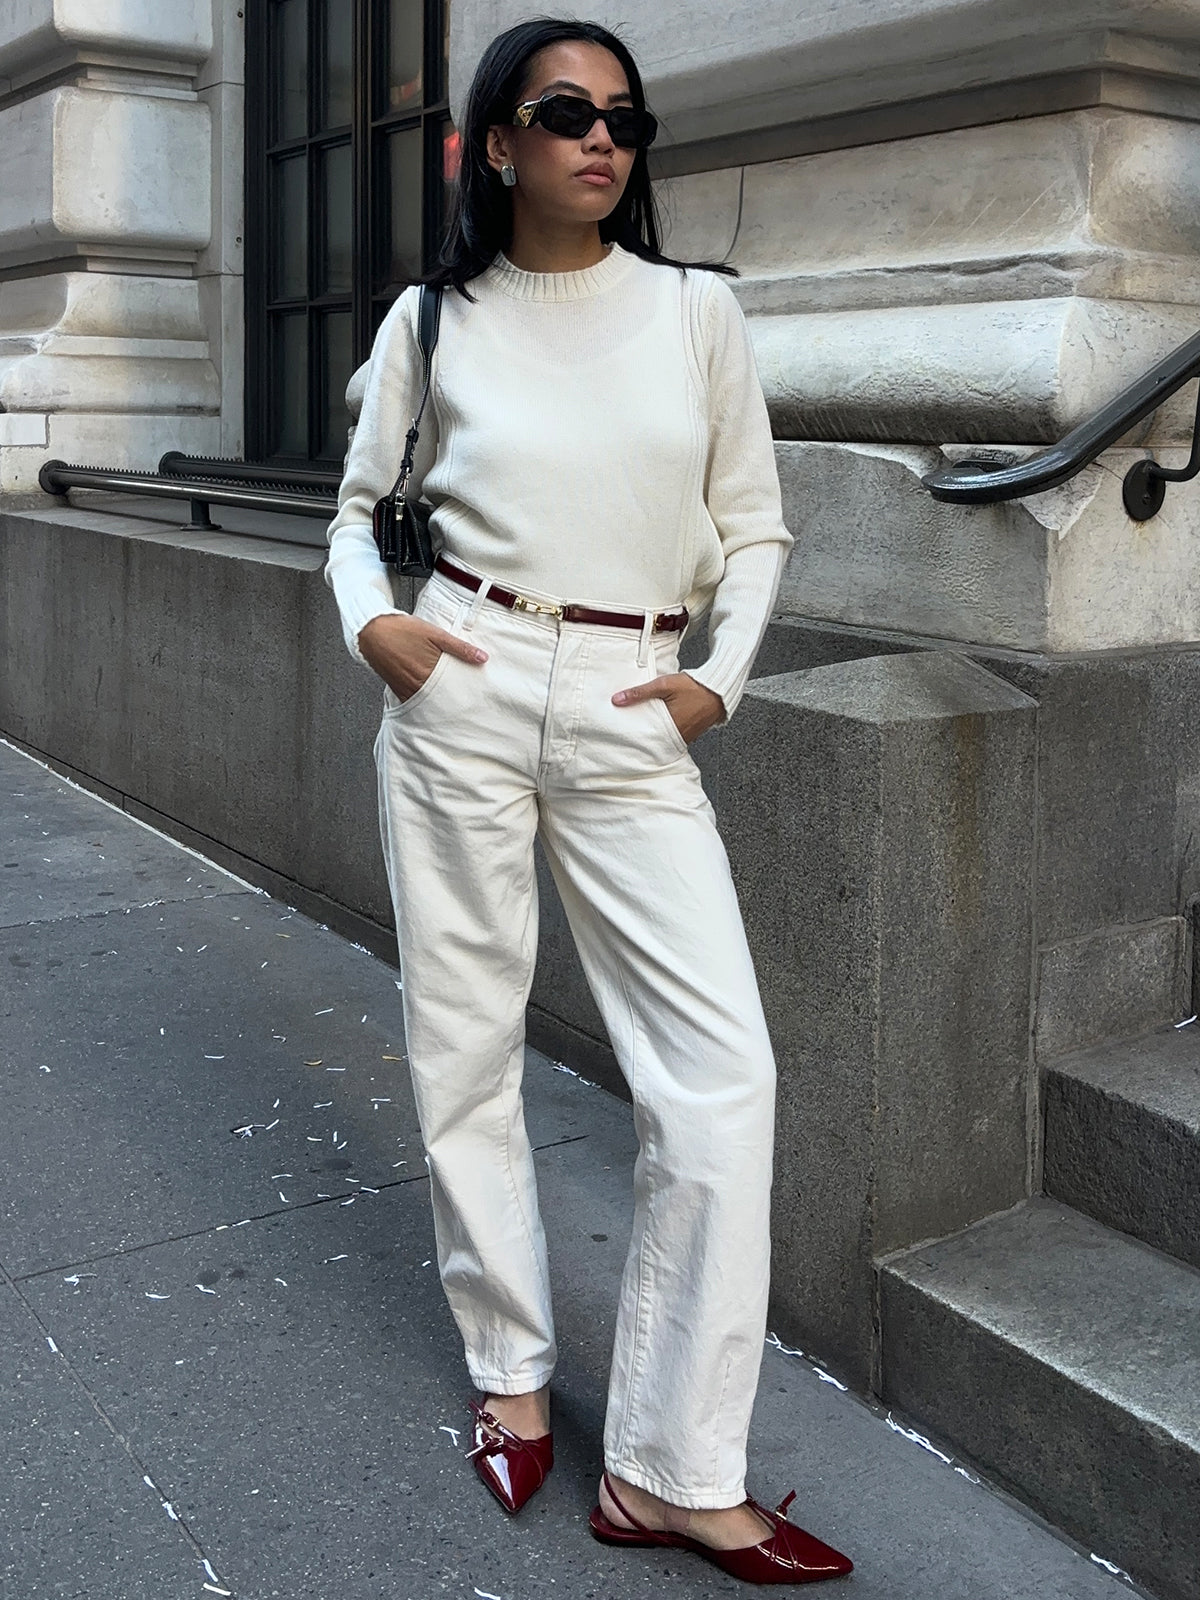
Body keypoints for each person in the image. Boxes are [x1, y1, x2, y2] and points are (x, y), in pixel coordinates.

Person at [325, 16, 853, 1587]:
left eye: (624, 117)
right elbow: (357, 512)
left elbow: (752, 530)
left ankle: (672, 1468)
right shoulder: (435, 323)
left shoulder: (697, 314)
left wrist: (718, 679)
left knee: (720, 1077)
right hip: (466, 684)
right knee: (465, 1039)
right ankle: (508, 1369)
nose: (601, 140)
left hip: (636, 710)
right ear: (497, 144)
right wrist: (382, 631)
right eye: (563, 114)